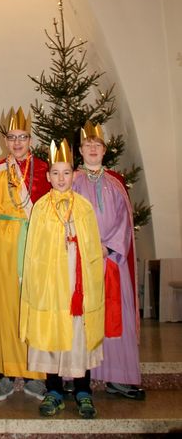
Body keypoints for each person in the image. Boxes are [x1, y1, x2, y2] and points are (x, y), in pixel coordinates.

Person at [20, 139, 105, 419]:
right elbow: (33, 252)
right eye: (55, 173)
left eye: (66, 172)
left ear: (73, 174)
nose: (60, 178)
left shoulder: (84, 207)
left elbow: (93, 249)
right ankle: (54, 390)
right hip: (51, 286)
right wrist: (37, 284)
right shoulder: (41, 208)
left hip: (78, 286)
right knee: (51, 332)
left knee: (80, 332)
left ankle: (83, 391)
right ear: (48, 176)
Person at [0, 107, 51, 402]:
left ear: (31, 139)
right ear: (5, 140)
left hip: (35, 246)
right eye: (12, 137)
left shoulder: (45, 170)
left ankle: (35, 375)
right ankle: (6, 375)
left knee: (33, 308)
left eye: (23, 137)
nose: (17, 142)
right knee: (5, 311)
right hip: (4, 246)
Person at [73, 120, 145, 400]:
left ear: (104, 150)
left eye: (97, 144)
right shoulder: (73, 180)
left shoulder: (115, 183)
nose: (92, 148)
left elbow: (124, 222)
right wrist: (86, 248)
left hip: (110, 260)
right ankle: (74, 375)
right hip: (80, 260)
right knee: (80, 319)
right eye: (87, 144)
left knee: (116, 316)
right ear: (80, 150)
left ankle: (119, 376)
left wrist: (106, 248)